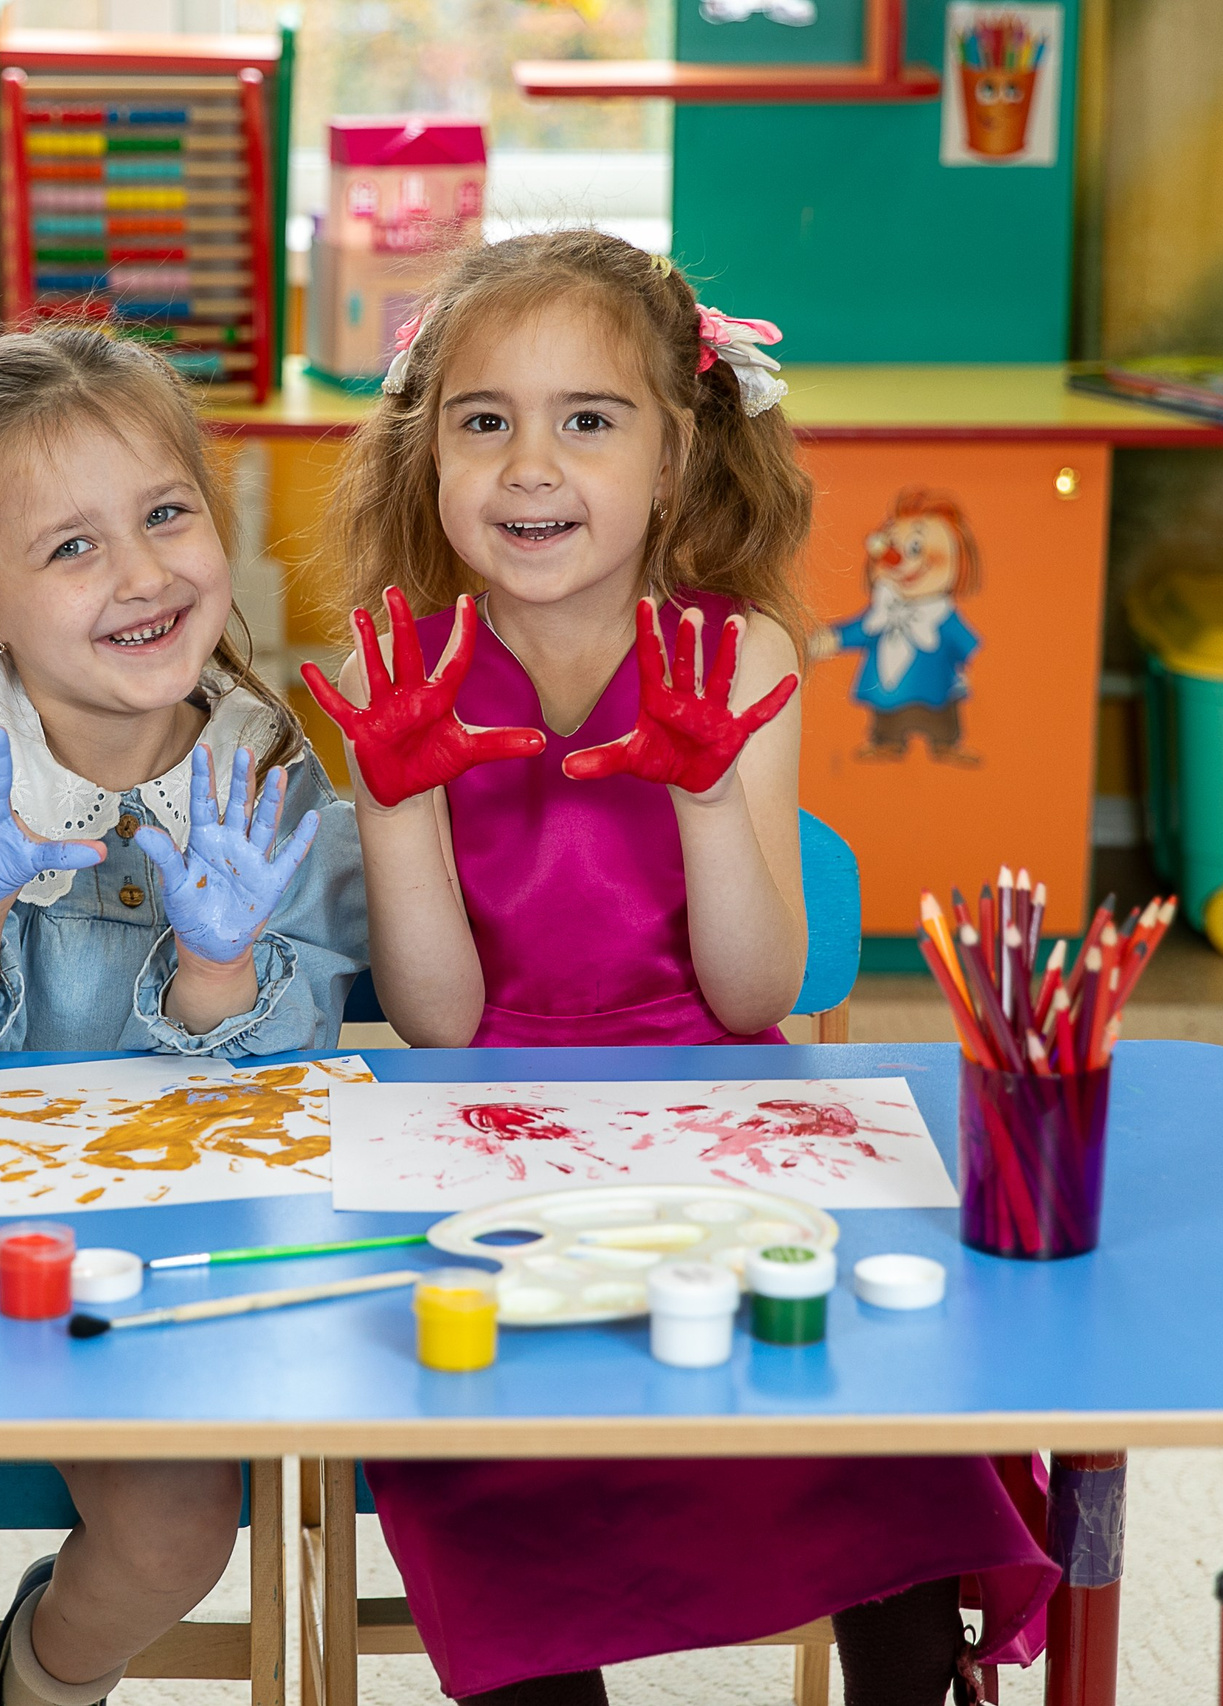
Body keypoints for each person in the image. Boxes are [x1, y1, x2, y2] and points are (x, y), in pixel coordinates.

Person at [304, 229, 1053, 1706]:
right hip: (480, 1128)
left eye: (588, 417)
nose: (531, 465)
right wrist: (389, 805)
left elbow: (755, 993)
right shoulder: (413, 664)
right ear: (425, 452)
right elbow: (440, 1025)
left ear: (678, 450)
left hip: (721, 1104)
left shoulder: (743, 652)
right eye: (483, 419)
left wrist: (711, 801)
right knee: (491, 1428)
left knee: (869, 1397)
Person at [0, 327, 366, 1706]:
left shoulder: (260, 764)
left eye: (165, 514)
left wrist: (219, 957)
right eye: (72, 547)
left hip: (145, 1267)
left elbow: (284, 1100)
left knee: (178, 1534)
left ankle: (42, 1679)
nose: (146, 573)